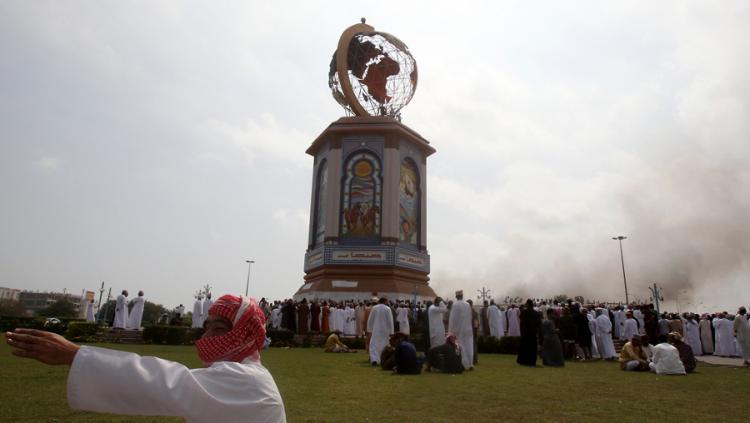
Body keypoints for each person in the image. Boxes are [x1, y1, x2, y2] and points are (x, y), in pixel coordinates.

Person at [5, 294, 286, 422]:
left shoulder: (246, 381)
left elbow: (165, 382)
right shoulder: (240, 374)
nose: (208, 335)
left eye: (220, 328)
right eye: (207, 326)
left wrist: (75, 355)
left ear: (245, 335)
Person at [448, 291, 474, 370]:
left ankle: (463, 364)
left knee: (459, 346)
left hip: (457, 330)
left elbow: (452, 319)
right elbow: (470, 317)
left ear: (456, 297)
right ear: (462, 296)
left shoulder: (455, 305)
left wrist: (450, 331)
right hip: (467, 329)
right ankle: (470, 364)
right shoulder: (467, 305)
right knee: (468, 345)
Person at [367, 297, 394, 365]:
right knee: (384, 345)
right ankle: (382, 359)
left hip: (376, 329)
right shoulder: (387, 309)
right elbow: (390, 321)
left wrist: (369, 329)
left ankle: (374, 360)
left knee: (374, 344)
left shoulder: (374, 308)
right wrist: (391, 332)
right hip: (385, 331)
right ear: (385, 301)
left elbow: (370, 320)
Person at [517, 299, 540, 366]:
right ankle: (532, 361)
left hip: (525, 333)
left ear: (527, 304)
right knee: (532, 348)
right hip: (532, 333)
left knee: (525, 347)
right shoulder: (536, 313)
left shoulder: (524, 312)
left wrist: (521, 330)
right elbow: (538, 324)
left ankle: (523, 361)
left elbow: (521, 322)